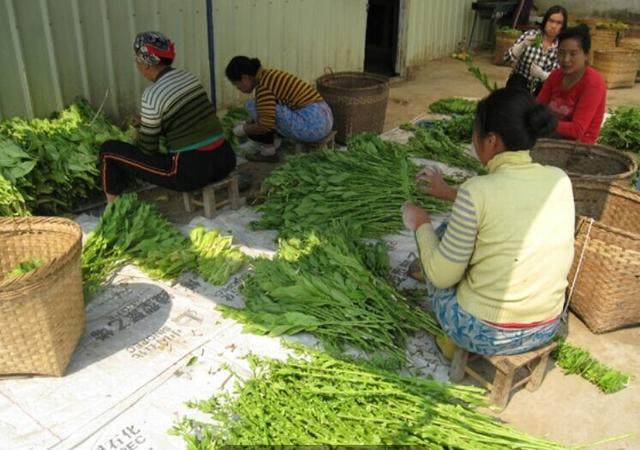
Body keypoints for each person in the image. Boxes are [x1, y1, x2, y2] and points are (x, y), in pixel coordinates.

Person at [403, 88, 575, 356]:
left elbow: (440, 276)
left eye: (476, 133)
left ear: (492, 140)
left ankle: (452, 339)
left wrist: (421, 225)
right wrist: (450, 193)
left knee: (437, 251)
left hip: (487, 333)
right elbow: (507, 202)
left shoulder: (477, 191)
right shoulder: (560, 179)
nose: (472, 140)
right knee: (458, 231)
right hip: (546, 325)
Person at [99, 32, 236, 203]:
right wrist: (151, 122)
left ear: (146, 63)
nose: (136, 64)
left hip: (192, 173)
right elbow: (187, 120)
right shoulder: (189, 78)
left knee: (108, 150)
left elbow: (148, 149)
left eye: (137, 59)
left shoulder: (152, 94)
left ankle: (113, 209)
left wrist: (142, 129)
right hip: (225, 160)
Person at [225, 56, 334, 163]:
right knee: (264, 107)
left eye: (236, 84)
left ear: (245, 78)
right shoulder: (269, 75)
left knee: (253, 106)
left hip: (314, 126)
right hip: (325, 117)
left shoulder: (263, 87)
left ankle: (268, 152)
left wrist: (243, 130)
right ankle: (276, 140)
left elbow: (265, 126)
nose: (238, 88)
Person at [537, 24, 606, 144]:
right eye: (561, 53)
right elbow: (538, 107)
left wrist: (544, 122)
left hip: (577, 146)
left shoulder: (594, 83)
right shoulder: (555, 75)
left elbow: (577, 130)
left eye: (573, 54)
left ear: (586, 55)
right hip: (550, 135)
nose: (565, 59)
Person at [504, 5, 568, 95]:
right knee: (518, 79)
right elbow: (507, 59)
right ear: (545, 21)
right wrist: (522, 45)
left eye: (558, 23)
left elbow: (560, 78)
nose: (553, 26)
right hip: (519, 85)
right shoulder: (531, 35)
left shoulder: (562, 47)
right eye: (551, 21)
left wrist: (543, 75)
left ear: (563, 26)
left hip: (541, 90)